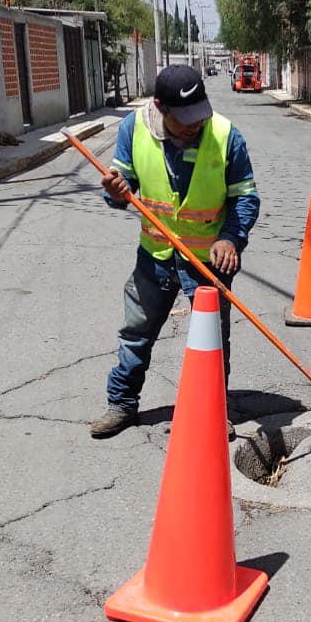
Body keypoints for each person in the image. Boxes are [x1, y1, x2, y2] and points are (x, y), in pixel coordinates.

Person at [90, 64, 260, 438]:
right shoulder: (132, 129)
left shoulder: (226, 135)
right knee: (136, 333)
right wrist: (115, 192)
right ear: (159, 108)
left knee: (211, 342)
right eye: (184, 119)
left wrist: (231, 237)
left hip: (206, 261)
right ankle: (122, 404)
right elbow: (123, 186)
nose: (194, 126)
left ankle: (213, 411)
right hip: (154, 257)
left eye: (199, 115)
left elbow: (245, 198)